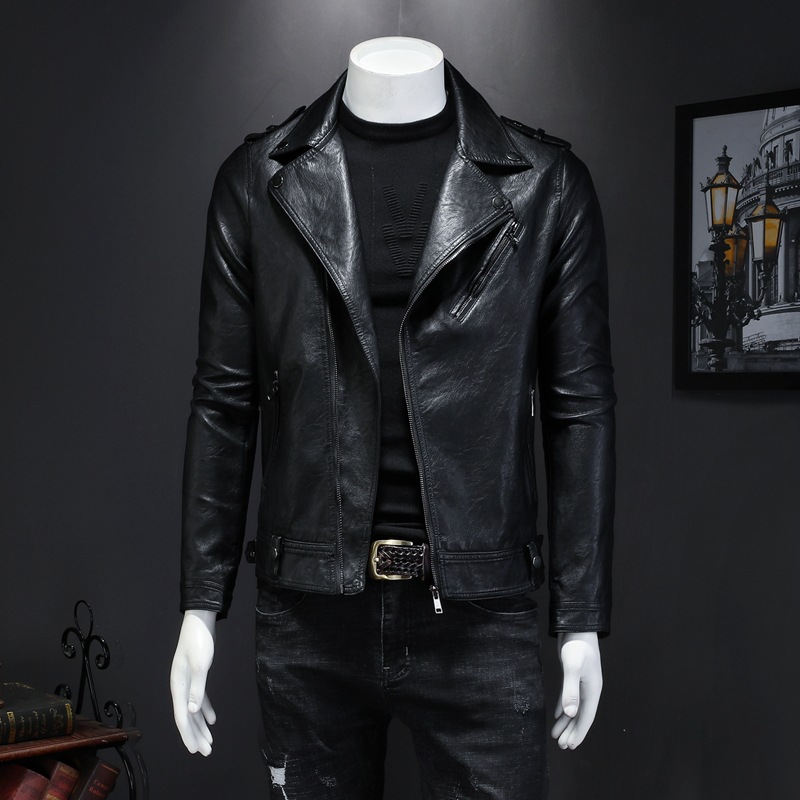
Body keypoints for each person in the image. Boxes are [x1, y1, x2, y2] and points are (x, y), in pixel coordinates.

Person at [171, 36, 615, 800]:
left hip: (481, 610)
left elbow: (580, 409)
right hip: (310, 609)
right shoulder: (257, 182)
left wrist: (580, 617)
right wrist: (199, 606)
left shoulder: (546, 186)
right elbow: (222, 401)